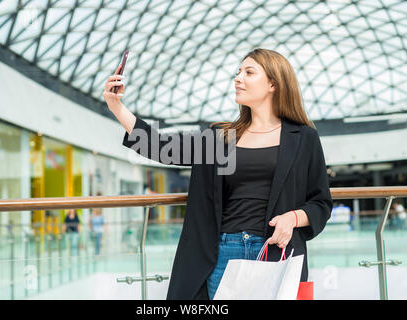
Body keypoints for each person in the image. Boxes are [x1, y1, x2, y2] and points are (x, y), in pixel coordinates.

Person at [103, 48, 333, 300]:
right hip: (224, 252)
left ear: (273, 84)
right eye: (238, 72)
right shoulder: (222, 138)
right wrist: (116, 106)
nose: (237, 78)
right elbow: (160, 147)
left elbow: (320, 202)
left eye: (249, 72)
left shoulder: (302, 138)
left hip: (276, 251)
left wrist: (293, 217)